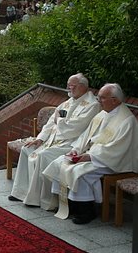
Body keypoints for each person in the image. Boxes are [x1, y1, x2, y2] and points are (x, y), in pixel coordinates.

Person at [43, 83, 138, 224]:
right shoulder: (102, 114)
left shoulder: (127, 121)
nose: (98, 100)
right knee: (61, 162)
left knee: (81, 171)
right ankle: (70, 205)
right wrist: (76, 149)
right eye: (98, 97)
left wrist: (90, 156)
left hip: (116, 160)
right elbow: (85, 136)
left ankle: (87, 211)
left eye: (102, 98)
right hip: (96, 155)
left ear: (115, 100)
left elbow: (118, 148)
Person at [9, 74, 100, 209]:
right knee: (26, 149)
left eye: (72, 85)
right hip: (52, 140)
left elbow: (74, 129)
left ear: (82, 86)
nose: (68, 87)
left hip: (71, 144)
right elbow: (51, 122)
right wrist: (40, 139)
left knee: (43, 155)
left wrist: (59, 120)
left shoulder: (92, 105)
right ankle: (21, 192)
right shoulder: (68, 102)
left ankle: (40, 199)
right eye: (68, 84)